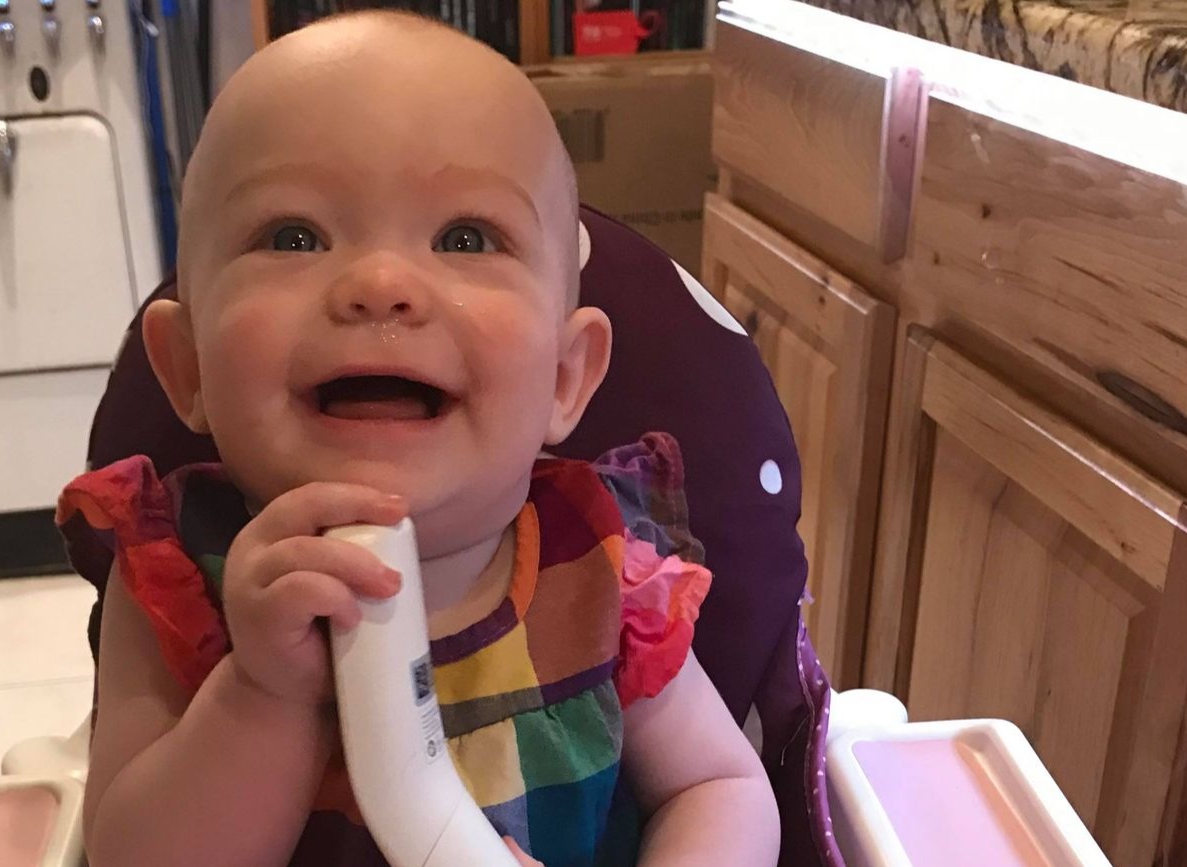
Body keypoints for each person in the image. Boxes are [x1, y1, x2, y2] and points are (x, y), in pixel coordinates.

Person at [56, 10, 780, 866]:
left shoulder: (598, 572)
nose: (380, 282)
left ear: (564, 378)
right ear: (187, 368)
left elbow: (720, 787)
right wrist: (261, 693)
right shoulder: (179, 582)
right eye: (293, 236)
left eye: (465, 237)